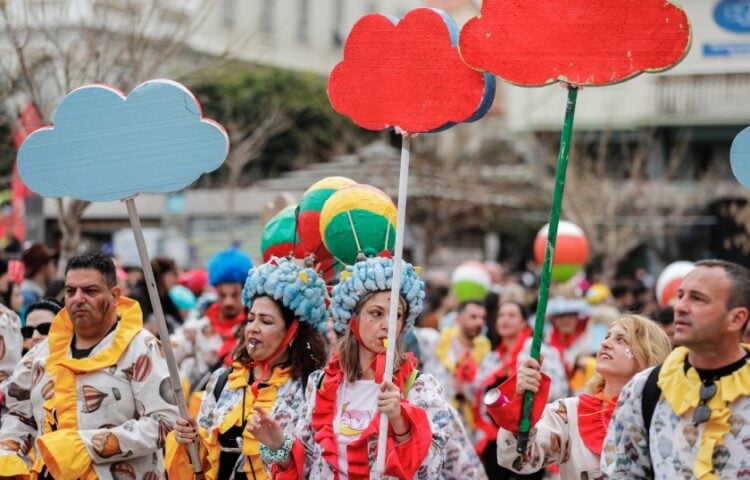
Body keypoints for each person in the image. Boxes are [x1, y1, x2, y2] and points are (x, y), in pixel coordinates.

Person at [250, 256, 452, 479]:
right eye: (376, 313)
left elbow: (433, 469)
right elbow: (308, 464)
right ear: (352, 319)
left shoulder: (420, 387)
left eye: (397, 315)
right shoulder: (321, 383)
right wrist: (279, 444)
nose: (388, 325)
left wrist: (401, 421)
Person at [0, 252, 179, 479]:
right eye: (70, 291)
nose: (78, 299)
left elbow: (165, 422)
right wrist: (7, 453)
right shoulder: (40, 354)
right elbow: (19, 413)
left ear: (114, 296)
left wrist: (87, 445)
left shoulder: (142, 348)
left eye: (90, 291)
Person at [167, 257, 328, 480]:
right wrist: (190, 441)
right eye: (251, 319)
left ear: (292, 332)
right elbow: (202, 463)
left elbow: (317, 466)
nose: (253, 328)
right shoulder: (223, 381)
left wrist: (279, 446)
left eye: (266, 321)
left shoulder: (310, 387)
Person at [602, 260, 750, 479]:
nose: (680, 307)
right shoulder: (644, 389)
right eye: (681, 296)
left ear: (736, 318)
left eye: (697, 299)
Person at [492, 314, 671, 479]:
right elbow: (517, 458)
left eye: (621, 339)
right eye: (607, 336)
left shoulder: (665, 415)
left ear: (646, 357)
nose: (605, 343)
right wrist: (522, 407)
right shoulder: (568, 413)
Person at [473, 300, 567, 479]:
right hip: (494, 441)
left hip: (530, 438)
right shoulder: (492, 357)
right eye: (501, 315)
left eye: (511, 315)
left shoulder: (537, 350)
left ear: (524, 322)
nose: (505, 320)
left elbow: (558, 390)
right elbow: (479, 398)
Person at [424, 299, 491, 434]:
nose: (480, 322)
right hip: (437, 423)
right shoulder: (439, 343)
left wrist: (467, 388)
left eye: (482, 318)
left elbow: (487, 390)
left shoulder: (487, 352)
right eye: (473, 317)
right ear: (458, 319)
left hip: (470, 429)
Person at [19, 244, 58, 310]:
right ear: (42, 266)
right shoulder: (28, 297)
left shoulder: (38, 292)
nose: (54, 268)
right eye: (52, 263)